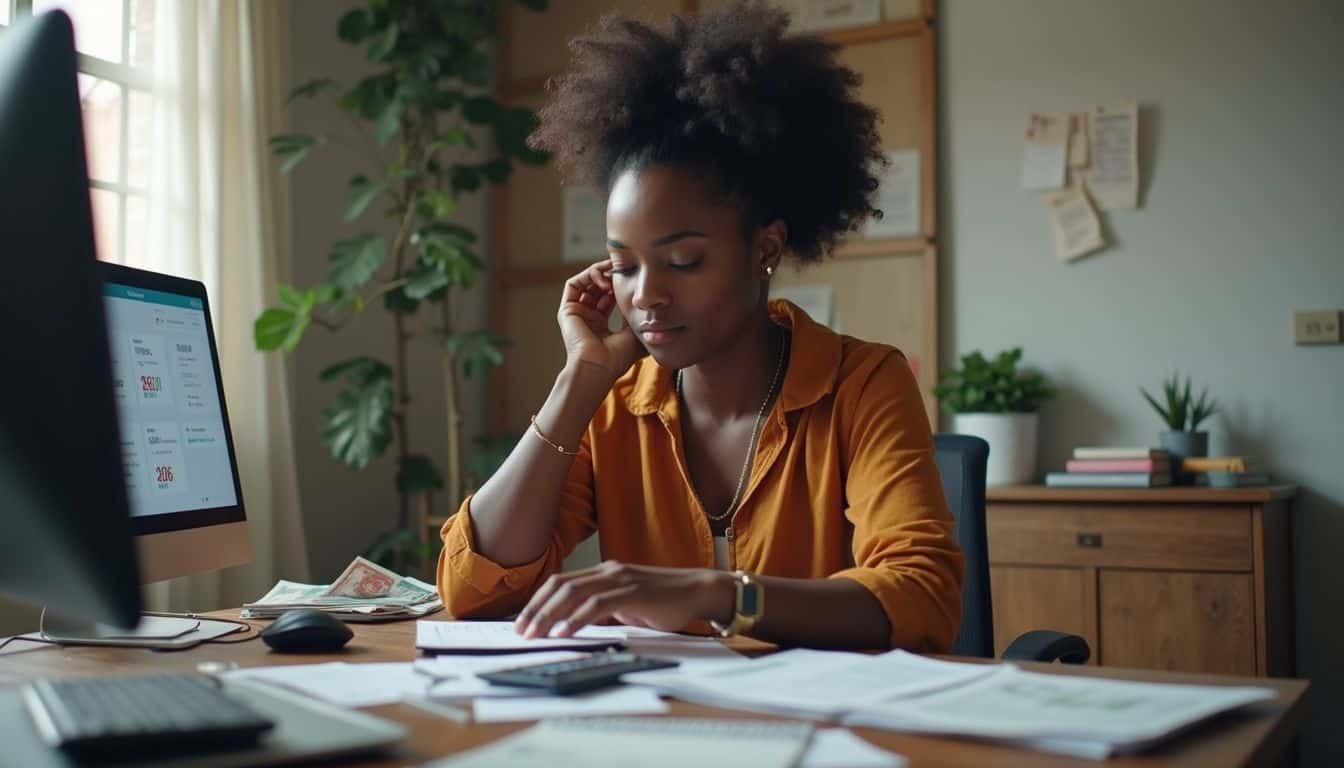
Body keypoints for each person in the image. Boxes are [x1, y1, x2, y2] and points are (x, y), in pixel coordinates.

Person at [437, 0, 962, 651]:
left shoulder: (861, 384)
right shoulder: (614, 403)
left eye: (683, 261)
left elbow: (921, 597)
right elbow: (474, 588)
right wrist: (580, 381)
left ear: (765, 248)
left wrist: (712, 593)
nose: (647, 295)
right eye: (624, 265)